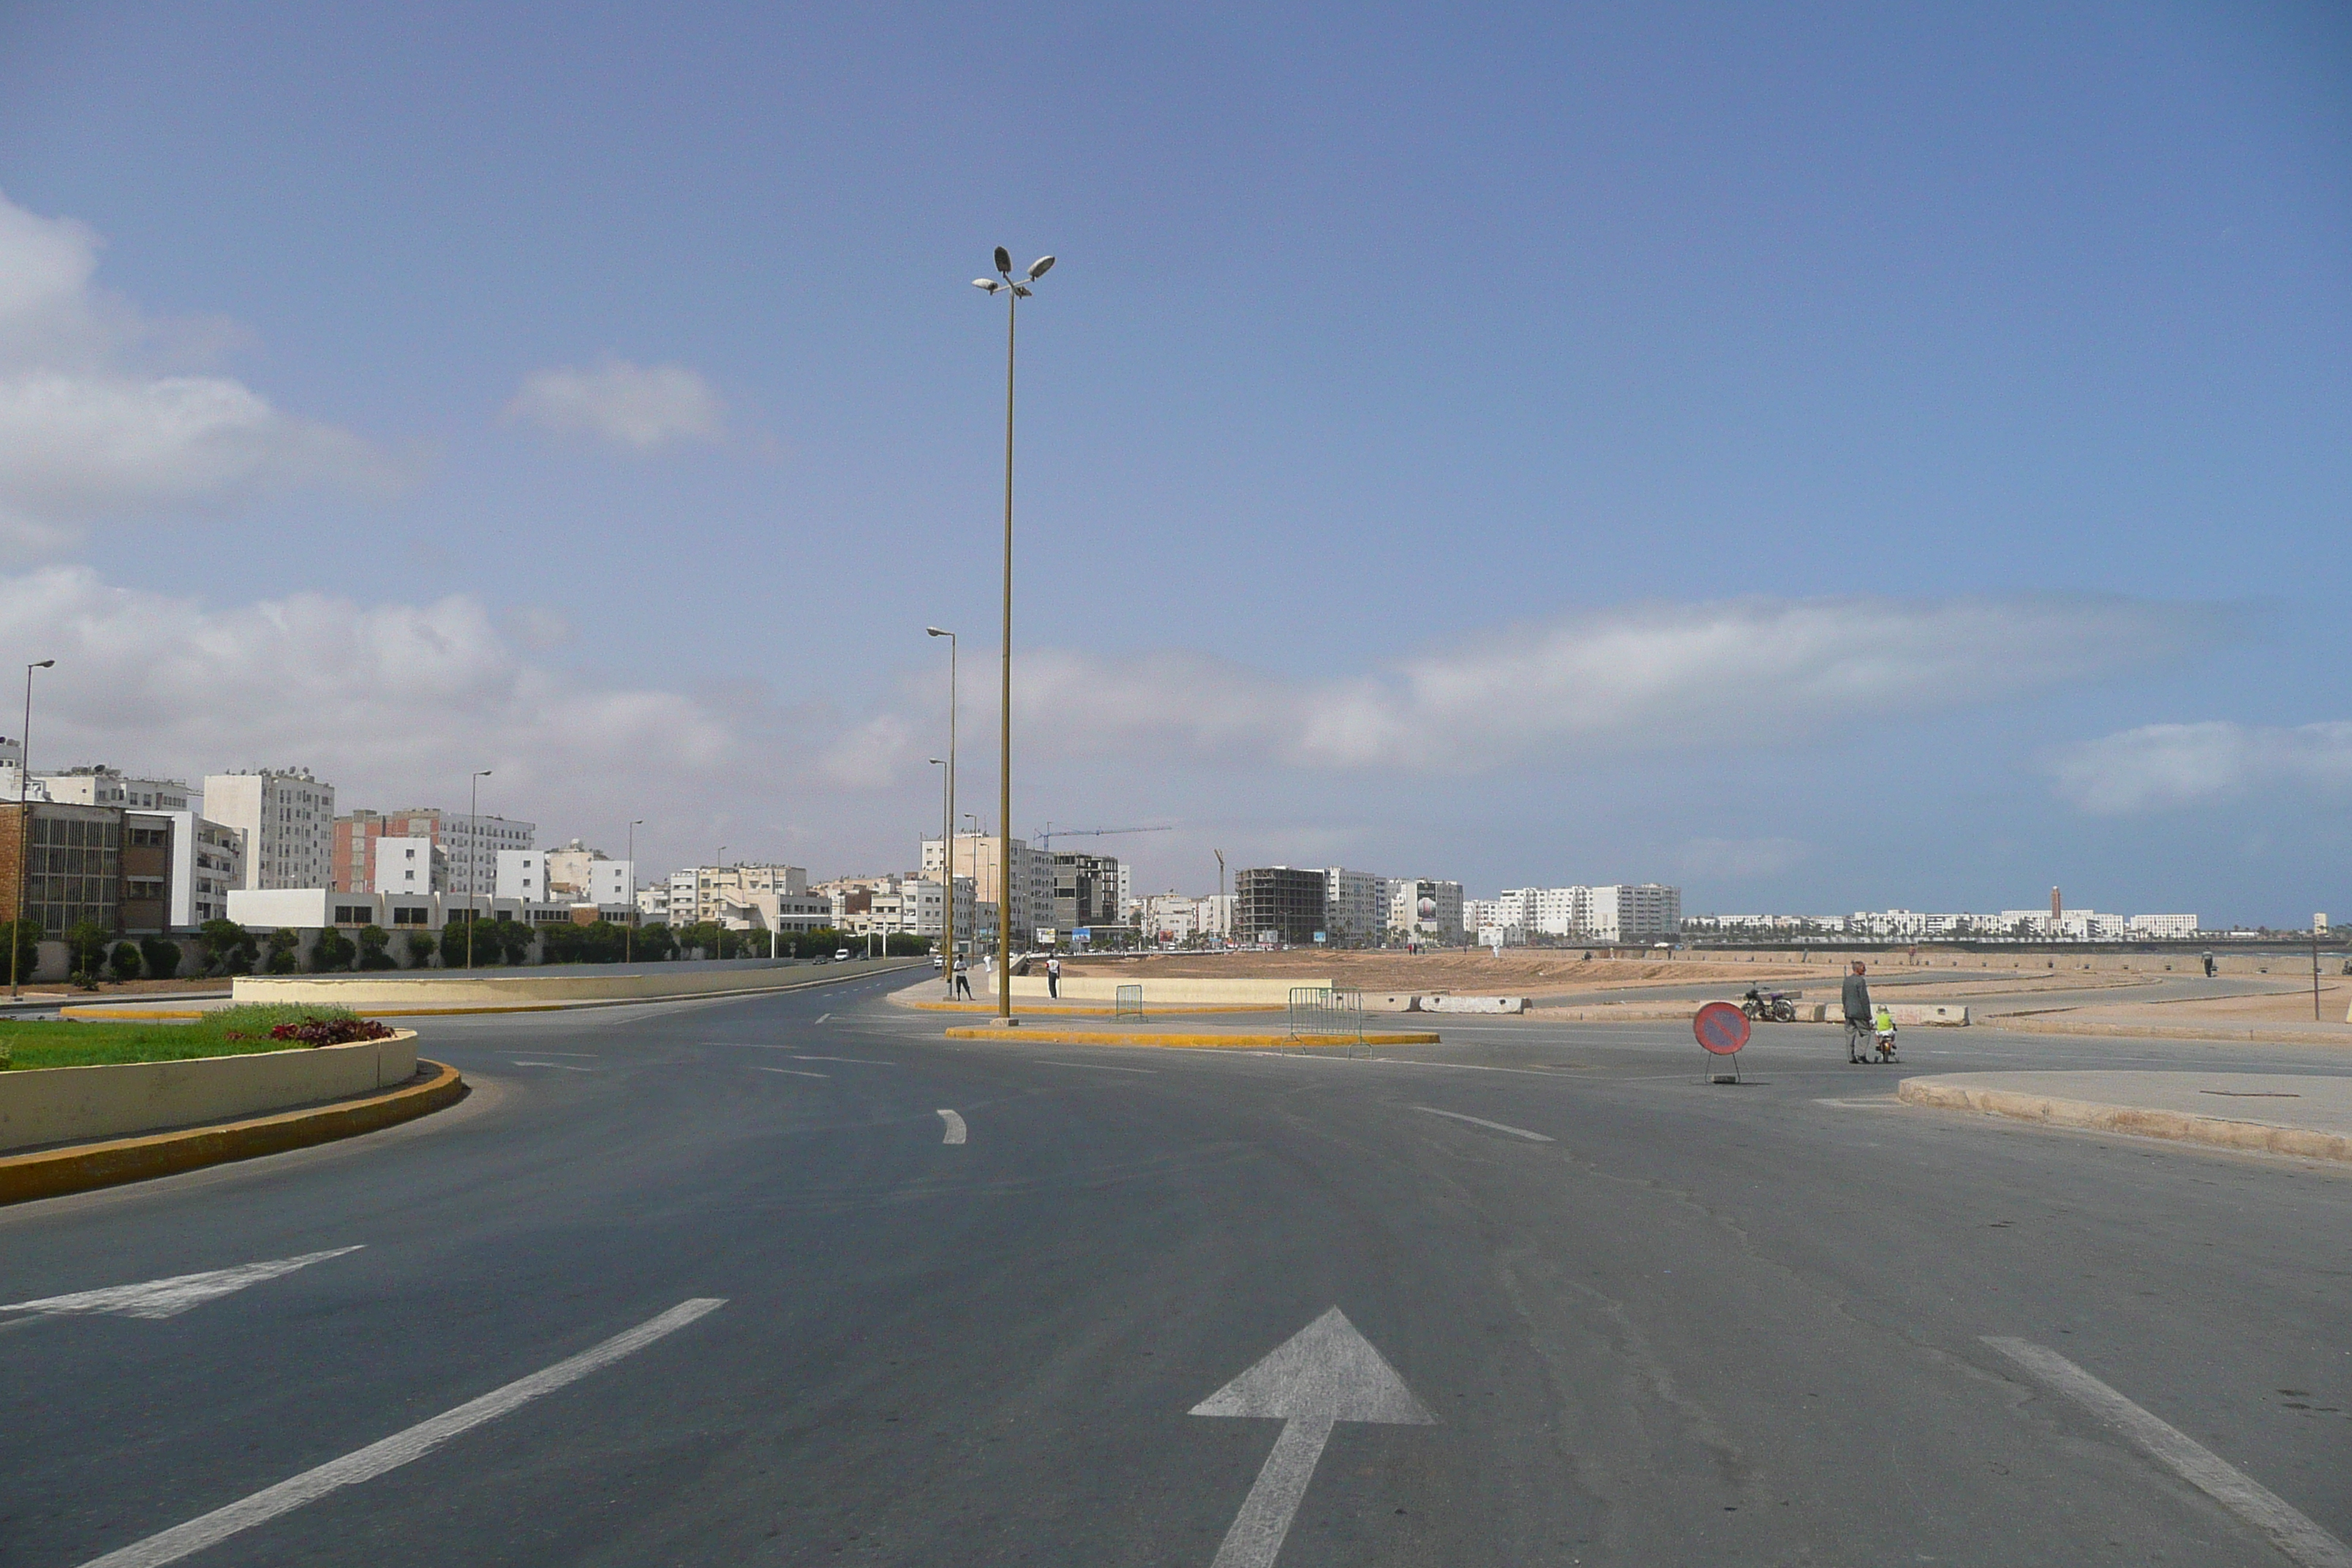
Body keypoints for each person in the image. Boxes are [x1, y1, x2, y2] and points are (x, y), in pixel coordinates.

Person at [1842, 960, 1874, 1064]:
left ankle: (1850, 1057)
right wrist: (1868, 1015)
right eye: (1863, 968)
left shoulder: (1847, 980)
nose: (1865, 970)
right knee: (1866, 1033)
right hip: (1859, 1012)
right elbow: (1864, 999)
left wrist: (1845, 1007)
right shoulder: (1860, 981)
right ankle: (1861, 1054)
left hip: (1849, 1012)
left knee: (1850, 1034)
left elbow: (1844, 996)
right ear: (1857, 969)